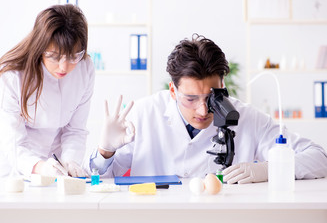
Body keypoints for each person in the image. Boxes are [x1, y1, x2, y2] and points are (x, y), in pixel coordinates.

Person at [87, 34, 327, 184]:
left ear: (223, 85)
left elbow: (319, 158)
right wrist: (105, 151)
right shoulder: (144, 113)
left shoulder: (248, 118)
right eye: (190, 98)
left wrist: (270, 169)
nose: (203, 110)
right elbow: (102, 180)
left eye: (213, 97)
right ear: (173, 91)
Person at [0, 4, 94, 178]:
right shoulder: (12, 76)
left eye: (74, 55)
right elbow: (13, 143)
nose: (64, 66)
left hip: (54, 158)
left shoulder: (84, 69)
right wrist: (40, 167)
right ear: (40, 47)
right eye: (54, 56)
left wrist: (70, 161)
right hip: (10, 160)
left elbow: (75, 130)